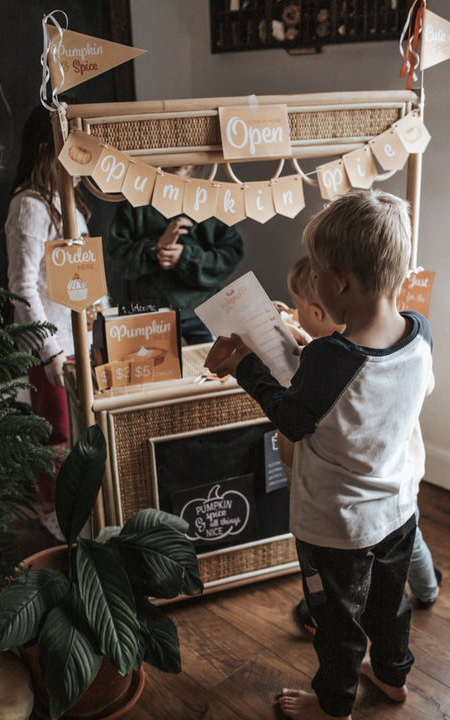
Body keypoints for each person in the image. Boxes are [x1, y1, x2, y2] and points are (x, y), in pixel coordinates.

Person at [206, 189, 433, 720]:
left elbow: (291, 418)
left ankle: (332, 705)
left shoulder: (333, 356)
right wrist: (313, 359)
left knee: (336, 620)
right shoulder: (418, 335)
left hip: (338, 527)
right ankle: (393, 676)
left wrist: (243, 363)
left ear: (338, 280)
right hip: (397, 510)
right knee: (389, 604)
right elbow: (373, 384)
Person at [284, 256, 441, 637]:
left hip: (361, 487)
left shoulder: (334, 363)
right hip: (399, 468)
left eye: (298, 308)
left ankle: (359, 611)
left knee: (368, 553)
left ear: (320, 309)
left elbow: (299, 429)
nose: (295, 316)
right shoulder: (402, 335)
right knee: (409, 531)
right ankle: (428, 588)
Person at [5, 102, 90, 542]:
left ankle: (77, 512)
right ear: (46, 150)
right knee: (55, 433)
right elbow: (22, 288)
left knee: (82, 434)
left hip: (78, 339)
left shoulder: (63, 200)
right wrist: (49, 349)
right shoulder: (29, 206)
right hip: (51, 346)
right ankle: (53, 514)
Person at [107, 165, 243, 345]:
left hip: (204, 310)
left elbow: (230, 254)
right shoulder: (134, 201)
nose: (182, 162)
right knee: (157, 367)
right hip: (150, 312)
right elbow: (118, 257)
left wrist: (185, 258)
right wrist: (156, 249)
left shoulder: (207, 199)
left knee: (209, 369)